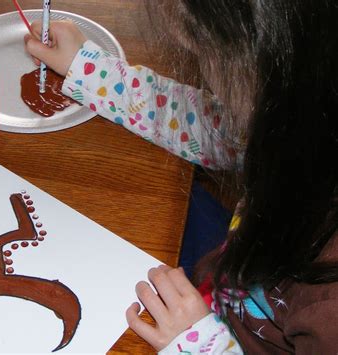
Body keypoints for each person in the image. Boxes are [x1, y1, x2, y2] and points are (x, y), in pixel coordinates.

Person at [24, 0, 338, 353]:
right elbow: (201, 123)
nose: (206, 76)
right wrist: (89, 70)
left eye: (204, 55)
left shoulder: (327, 314)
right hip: (230, 268)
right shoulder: (298, 122)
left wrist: (207, 345)